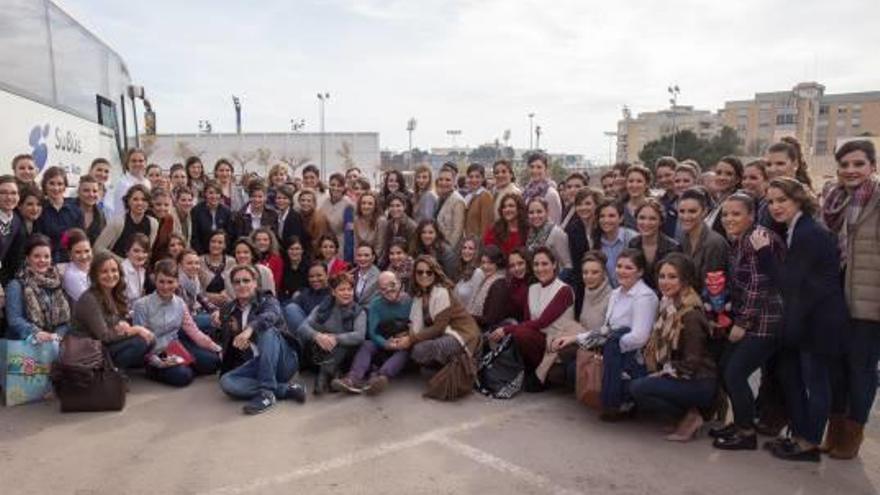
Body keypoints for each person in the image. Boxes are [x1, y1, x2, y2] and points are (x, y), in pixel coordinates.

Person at [762, 177, 848, 462]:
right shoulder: (797, 228)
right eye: (771, 201)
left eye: (782, 200)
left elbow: (789, 282)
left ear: (798, 199)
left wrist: (764, 255)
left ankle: (809, 443)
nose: (775, 206)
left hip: (819, 321)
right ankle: (802, 437)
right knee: (795, 377)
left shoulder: (808, 232)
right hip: (806, 318)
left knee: (816, 382)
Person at [709, 192, 785, 451]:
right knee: (726, 368)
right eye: (726, 214)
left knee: (735, 373)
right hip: (747, 319)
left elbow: (758, 286)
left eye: (736, 214)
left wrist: (741, 323)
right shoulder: (739, 240)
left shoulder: (757, 239)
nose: (729, 219)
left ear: (751, 215)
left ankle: (746, 433)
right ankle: (743, 420)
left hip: (764, 323)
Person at [822, 140, 879, 459]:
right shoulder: (834, 200)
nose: (851, 170)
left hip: (869, 303)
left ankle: (853, 435)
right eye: (845, 165)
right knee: (836, 368)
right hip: (837, 298)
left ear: (873, 166)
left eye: (858, 164)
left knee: (862, 369)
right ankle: (835, 428)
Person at [554, 249, 659, 420]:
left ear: (640, 272)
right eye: (619, 266)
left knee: (618, 336)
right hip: (612, 350)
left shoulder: (645, 296)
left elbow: (640, 337)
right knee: (572, 364)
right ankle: (613, 397)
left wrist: (611, 345)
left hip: (634, 357)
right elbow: (606, 329)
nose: (622, 271)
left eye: (629, 268)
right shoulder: (616, 294)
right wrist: (574, 338)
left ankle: (623, 401)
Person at [629, 254, 717, 442]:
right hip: (681, 375)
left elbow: (692, 364)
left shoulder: (690, 314)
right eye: (662, 276)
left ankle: (694, 414)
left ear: (685, 279)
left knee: (639, 387)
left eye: (672, 277)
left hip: (699, 382)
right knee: (634, 378)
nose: (665, 282)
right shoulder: (668, 305)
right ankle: (681, 415)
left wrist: (662, 373)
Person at [217, 264, 306, 415]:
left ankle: (266, 393)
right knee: (227, 382)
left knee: (267, 331)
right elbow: (226, 341)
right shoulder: (227, 310)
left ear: (255, 283)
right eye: (237, 282)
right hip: (255, 364)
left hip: (282, 361)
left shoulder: (267, 299)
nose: (242, 285)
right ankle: (285, 389)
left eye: (246, 280)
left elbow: (270, 316)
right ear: (232, 286)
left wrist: (249, 330)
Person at [488, 247, 577, 389]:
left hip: (556, 339)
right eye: (536, 264)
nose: (540, 269)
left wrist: (507, 329)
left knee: (520, 333)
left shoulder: (564, 290)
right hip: (539, 338)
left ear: (554, 265)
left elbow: (542, 322)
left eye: (545, 264)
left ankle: (541, 374)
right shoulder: (532, 289)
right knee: (516, 332)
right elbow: (527, 321)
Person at [391, 255, 480, 390]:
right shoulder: (421, 294)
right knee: (407, 341)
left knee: (419, 350)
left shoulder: (442, 292)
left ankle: (452, 364)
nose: (424, 275)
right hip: (445, 333)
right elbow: (416, 324)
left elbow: (438, 327)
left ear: (435, 273)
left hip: (462, 335)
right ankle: (438, 366)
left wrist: (410, 339)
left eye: (429, 272)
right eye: (420, 272)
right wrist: (406, 336)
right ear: (414, 274)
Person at [133, 260, 222, 387]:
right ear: (155, 281)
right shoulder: (141, 305)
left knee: (214, 362)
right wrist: (157, 361)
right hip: (154, 353)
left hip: (175, 347)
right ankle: (157, 370)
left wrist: (217, 348)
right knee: (183, 376)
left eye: (170, 282)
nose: (165, 287)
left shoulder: (180, 303)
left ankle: (185, 366)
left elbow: (194, 332)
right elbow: (141, 342)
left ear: (177, 282)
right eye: (161, 282)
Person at [333, 271, 412, 395]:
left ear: (399, 283)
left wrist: (406, 338)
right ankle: (352, 379)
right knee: (367, 344)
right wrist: (385, 343)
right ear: (379, 290)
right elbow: (373, 332)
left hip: (405, 342)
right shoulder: (376, 304)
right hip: (384, 341)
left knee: (404, 351)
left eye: (392, 285)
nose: (389, 290)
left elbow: (417, 326)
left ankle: (379, 378)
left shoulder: (410, 301)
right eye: (383, 288)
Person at [71, 252, 152, 369]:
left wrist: (124, 325)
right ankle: (108, 372)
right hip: (91, 350)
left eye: (114, 270)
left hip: (108, 342)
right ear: (95, 275)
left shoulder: (113, 292)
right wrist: (135, 329)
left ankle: (124, 366)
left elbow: (117, 323)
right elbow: (104, 336)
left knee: (150, 337)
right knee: (140, 342)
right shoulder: (89, 299)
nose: (110, 275)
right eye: (104, 271)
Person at [296, 272, 366, 394]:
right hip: (321, 352)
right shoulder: (322, 307)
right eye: (342, 290)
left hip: (346, 355)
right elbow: (302, 328)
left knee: (340, 342)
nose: (346, 293)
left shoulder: (359, 311)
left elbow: (359, 336)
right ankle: (333, 374)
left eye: (349, 289)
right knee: (315, 338)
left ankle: (324, 376)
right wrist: (317, 336)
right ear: (333, 292)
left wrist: (335, 338)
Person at [6, 234, 72, 340]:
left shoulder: (57, 282)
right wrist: (37, 333)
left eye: (46, 256)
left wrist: (56, 336)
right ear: (27, 258)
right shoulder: (16, 285)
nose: (42, 260)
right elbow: (15, 320)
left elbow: (66, 320)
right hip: (25, 345)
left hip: (53, 345)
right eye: (36, 256)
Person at [678, 187, 729, 289]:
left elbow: (714, 286)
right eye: (682, 211)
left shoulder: (715, 243)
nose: (686, 216)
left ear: (704, 212)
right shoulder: (683, 237)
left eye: (692, 211)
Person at [628, 198, 681, 292]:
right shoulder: (633, 244)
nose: (646, 223)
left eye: (652, 218)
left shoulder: (673, 248)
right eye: (642, 218)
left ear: (660, 221)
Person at [95, 185, 159, 258]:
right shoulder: (117, 223)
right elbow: (98, 248)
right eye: (135, 199)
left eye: (144, 200)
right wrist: (122, 262)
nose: (140, 203)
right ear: (128, 201)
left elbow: (148, 251)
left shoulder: (153, 223)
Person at [35, 166, 83, 263]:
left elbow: (79, 238)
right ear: (45, 185)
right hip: (44, 261)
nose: (56, 188)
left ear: (65, 186)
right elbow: (37, 238)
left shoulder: (75, 211)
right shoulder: (38, 209)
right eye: (52, 183)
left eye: (60, 184)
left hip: (70, 261)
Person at [465, 245, 510, 332]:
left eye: (490, 263)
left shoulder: (499, 285)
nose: (485, 266)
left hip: (483, 333)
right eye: (483, 262)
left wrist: (467, 316)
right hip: (473, 327)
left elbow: (490, 320)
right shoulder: (487, 279)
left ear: (498, 263)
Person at [525, 197, 572, 276]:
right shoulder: (531, 233)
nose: (535, 215)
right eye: (531, 212)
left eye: (539, 212)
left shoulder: (556, 233)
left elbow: (567, 264)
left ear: (547, 212)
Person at [596, 200, 637, 287]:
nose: (606, 220)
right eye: (602, 216)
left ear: (621, 218)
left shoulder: (633, 238)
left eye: (611, 216)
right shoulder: (596, 241)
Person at [566, 188, 604, 281]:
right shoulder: (572, 229)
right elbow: (575, 261)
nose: (583, 208)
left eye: (587, 204)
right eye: (579, 204)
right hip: (584, 278)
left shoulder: (602, 226)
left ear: (596, 205)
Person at [283, 261, 332, 334]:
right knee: (291, 308)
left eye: (319, 275)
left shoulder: (334, 293)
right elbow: (287, 307)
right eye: (311, 277)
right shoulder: (305, 293)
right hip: (307, 335)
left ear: (327, 276)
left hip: (328, 335)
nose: (315, 279)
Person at [177, 248, 216, 334]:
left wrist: (215, 310)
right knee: (216, 320)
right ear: (180, 265)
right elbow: (182, 314)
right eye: (189, 263)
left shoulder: (194, 280)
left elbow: (202, 299)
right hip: (181, 322)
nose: (194, 266)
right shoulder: (177, 284)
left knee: (220, 316)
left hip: (192, 316)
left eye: (197, 263)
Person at [319, 173, 355, 263]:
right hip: (326, 245)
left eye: (339, 186)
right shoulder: (325, 202)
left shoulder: (348, 205)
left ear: (343, 187)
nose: (335, 188)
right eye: (333, 185)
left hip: (341, 245)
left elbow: (349, 232)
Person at [705, 156, 744, 238]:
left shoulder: (737, 204)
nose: (722, 177)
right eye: (718, 173)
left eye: (728, 174)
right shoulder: (718, 203)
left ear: (737, 179)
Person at [191, 181, 232, 254]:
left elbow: (229, 235)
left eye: (217, 193)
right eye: (211, 193)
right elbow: (195, 236)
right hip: (202, 252)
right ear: (205, 194)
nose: (214, 196)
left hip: (221, 252)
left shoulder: (226, 211)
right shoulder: (196, 211)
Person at [109, 148, 150, 219]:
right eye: (133, 161)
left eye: (141, 161)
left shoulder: (147, 182)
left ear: (145, 163)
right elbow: (119, 211)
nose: (137, 164)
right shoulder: (122, 184)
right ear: (127, 163)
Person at [0, 175, 26, 285]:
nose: (9, 197)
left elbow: (14, 258)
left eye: (13, 193)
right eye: (3, 193)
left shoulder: (16, 221)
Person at [522, 152, 562, 224]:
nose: (535, 170)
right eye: (532, 167)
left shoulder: (551, 193)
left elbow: (555, 222)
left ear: (546, 169)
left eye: (539, 167)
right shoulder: (526, 192)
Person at [200, 230, 234, 308]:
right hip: (204, 304)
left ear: (225, 245)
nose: (216, 245)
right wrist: (209, 296)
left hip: (227, 303)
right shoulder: (199, 261)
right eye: (213, 241)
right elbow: (196, 288)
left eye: (220, 242)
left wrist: (227, 292)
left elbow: (234, 284)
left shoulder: (231, 262)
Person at [435, 167, 466, 250]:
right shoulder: (440, 198)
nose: (443, 182)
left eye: (447, 180)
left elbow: (457, 232)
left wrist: (448, 251)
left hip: (451, 250)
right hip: (440, 246)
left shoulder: (457, 201)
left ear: (454, 181)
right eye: (441, 179)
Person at [274, 185, 309, 257]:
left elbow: (296, 241)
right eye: (279, 198)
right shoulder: (276, 216)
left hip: (293, 256)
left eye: (285, 198)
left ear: (290, 200)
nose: (281, 201)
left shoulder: (294, 217)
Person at [381, 192, 416, 264]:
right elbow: (386, 247)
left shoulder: (411, 226)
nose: (395, 209)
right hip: (392, 261)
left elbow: (412, 251)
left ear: (404, 206)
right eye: (392, 206)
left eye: (398, 206)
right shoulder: (389, 224)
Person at [463, 163, 495, 239]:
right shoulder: (469, 196)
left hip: (478, 243)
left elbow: (486, 225)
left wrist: (481, 246)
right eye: (471, 177)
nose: (474, 180)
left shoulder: (485, 196)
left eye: (477, 177)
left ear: (483, 178)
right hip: (468, 242)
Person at [72, 175, 106, 244]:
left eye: (95, 191)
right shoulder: (67, 212)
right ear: (78, 192)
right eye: (86, 191)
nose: (91, 194)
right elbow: (63, 240)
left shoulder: (101, 215)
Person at [61, 228, 93, 302]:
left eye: (87, 251)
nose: (84, 256)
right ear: (70, 254)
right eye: (78, 252)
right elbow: (89, 302)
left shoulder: (94, 267)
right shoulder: (71, 276)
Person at [148, 187, 178, 262]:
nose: (162, 208)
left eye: (166, 205)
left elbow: (165, 246)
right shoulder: (147, 219)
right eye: (158, 204)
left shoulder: (169, 219)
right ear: (151, 205)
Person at [251, 227, 284, 294]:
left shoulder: (277, 260)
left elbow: (276, 283)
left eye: (265, 240)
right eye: (258, 240)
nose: (262, 242)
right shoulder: (249, 258)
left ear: (270, 242)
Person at [353, 191, 387, 257]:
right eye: (363, 203)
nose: (366, 206)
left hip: (375, 259)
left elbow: (380, 246)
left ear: (375, 206)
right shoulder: (356, 219)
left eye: (370, 204)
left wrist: (370, 260)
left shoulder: (381, 221)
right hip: (360, 258)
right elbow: (355, 244)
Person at [120, 233, 150, 305]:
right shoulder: (122, 271)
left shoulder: (142, 270)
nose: (140, 255)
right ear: (127, 252)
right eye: (136, 251)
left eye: (144, 252)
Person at [654, 157, 679, 237]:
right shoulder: (659, 202)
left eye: (668, 175)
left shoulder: (687, 199)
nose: (663, 180)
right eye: (659, 177)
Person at [279, 236, 309, 303]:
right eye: (291, 249)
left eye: (297, 249)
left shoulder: (309, 267)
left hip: (304, 300)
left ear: (302, 250)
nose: (294, 252)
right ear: (287, 251)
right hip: (285, 301)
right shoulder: (283, 267)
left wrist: (300, 291)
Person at [621, 165, 652, 230]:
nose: (634, 185)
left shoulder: (654, 207)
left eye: (639, 181)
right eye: (631, 181)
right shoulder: (619, 208)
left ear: (647, 184)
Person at [506, 247, 532, 323]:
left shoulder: (534, 283)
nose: (516, 268)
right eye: (512, 266)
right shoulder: (513, 282)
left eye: (520, 263)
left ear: (528, 262)